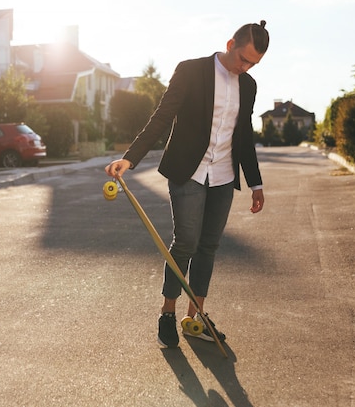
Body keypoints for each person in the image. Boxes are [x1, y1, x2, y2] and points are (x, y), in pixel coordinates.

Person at [105, 21, 269, 348]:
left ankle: (197, 319)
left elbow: (245, 135)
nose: (245, 67)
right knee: (185, 243)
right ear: (230, 43)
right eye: (243, 58)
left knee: (208, 246)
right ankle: (168, 312)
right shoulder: (191, 71)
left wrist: (255, 183)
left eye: (253, 63)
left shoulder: (248, 86)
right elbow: (162, 116)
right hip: (188, 172)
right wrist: (131, 158)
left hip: (224, 176)